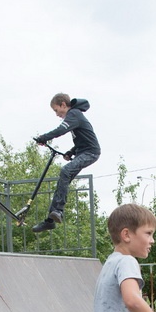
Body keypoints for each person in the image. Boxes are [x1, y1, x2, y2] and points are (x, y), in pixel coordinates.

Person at [31, 94, 100, 233]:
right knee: (64, 180)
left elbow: (61, 130)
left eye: (57, 110)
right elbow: (83, 140)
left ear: (63, 105)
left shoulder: (74, 113)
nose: (57, 114)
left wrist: (43, 138)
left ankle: (58, 211)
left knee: (65, 171)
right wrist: (71, 152)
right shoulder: (76, 117)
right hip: (82, 152)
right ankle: (50, 221)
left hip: (90, 152)